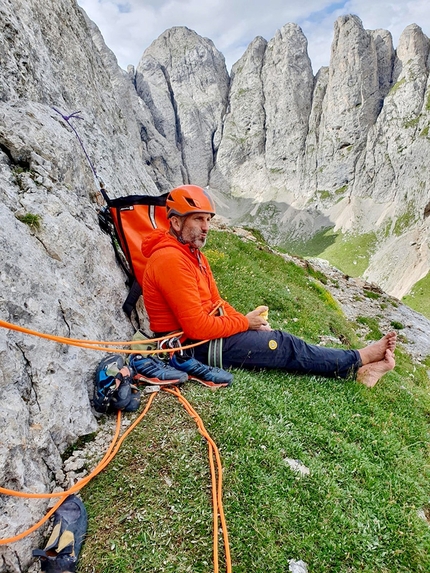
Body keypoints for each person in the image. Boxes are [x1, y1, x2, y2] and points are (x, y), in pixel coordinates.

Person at [140, 185, 396, 388]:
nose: (206, 228)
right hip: (191, 349)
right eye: (198, 219)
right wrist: (244, 324)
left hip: (204, 339)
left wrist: (246, 322)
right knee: (284, 345)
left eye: (207, 220)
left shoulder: (192, 253)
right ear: (175, 222)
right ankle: (359, 360)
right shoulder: (170, 260)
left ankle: (359, 367)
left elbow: (216, 303)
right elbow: (196, 327)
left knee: (279, 341)